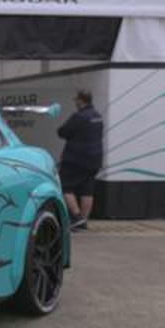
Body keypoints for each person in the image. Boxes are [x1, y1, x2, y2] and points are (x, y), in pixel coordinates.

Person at [57, 90, 104, 231]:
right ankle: (83, 221)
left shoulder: (79, 116)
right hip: (95, 159)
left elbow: (63, 132)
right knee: (87, 190)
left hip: (76, 159)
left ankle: (76, 217)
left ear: (81, 100)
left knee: (65, 186)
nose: (75, 102)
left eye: (76, 99)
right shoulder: (98, 116)